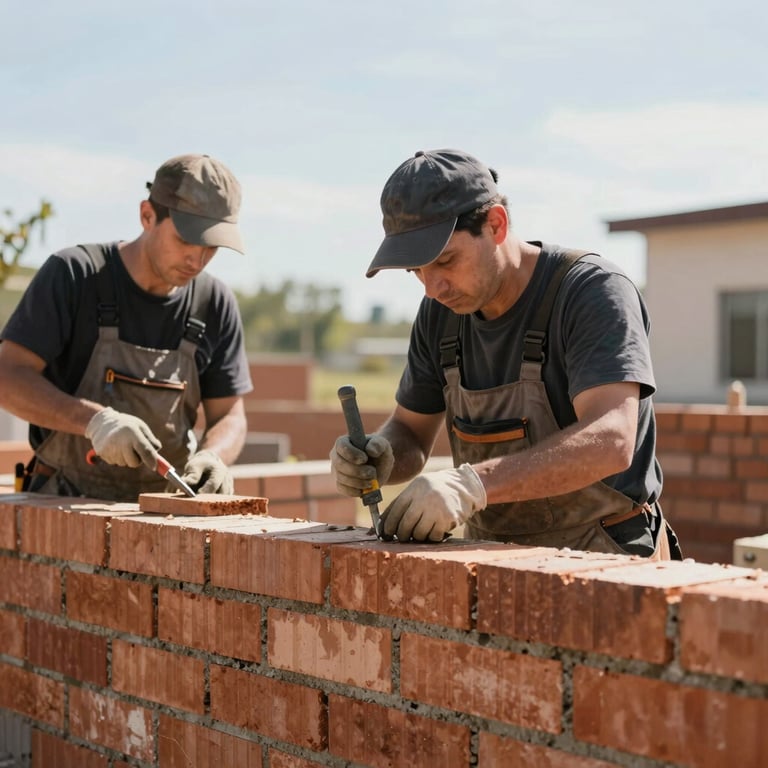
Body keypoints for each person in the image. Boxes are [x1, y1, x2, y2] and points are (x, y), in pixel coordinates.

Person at [330, 148, 682, 559]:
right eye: (416, 272)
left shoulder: (592, 292)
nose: (432, 288)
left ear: (496, 224)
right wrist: (383, 455)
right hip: (493, 563)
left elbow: (611, 440)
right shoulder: (440, 315)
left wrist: (472, 486)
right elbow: (410, 431)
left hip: (605, 558)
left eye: (445, 261)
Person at [0, 153, 253, 502]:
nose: (197, 260)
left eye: (211, 247)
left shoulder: (215, 303)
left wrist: (215, 456)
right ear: (147, 216)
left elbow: (230, 415)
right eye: (185, 241)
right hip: (61, 504)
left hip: (165, 516)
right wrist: (95, 421)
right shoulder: (75, 275)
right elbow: (8, 376)